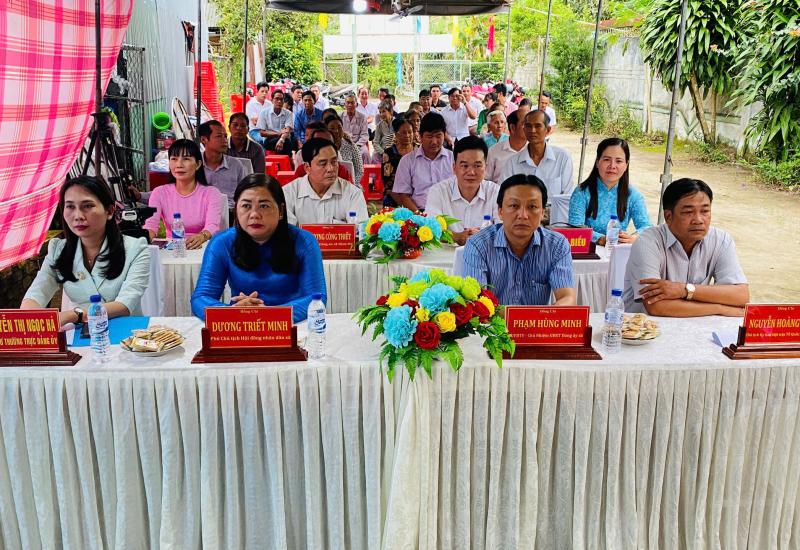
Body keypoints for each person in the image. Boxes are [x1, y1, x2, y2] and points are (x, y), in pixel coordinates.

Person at [190, 174, 326, 324]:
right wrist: (231, 312)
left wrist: (269, 315)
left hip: (291, 325)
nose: (254, 215)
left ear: (281, 211)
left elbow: (317, 297)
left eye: (264, 206)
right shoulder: (221, 243)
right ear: (236, 210)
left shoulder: (305, 241)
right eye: (246, 206)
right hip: (241, 324)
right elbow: (201, 298)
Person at [22, 176, 151, 323]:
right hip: (80, 334)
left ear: (109, 211)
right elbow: (36, 293)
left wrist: (74, 315)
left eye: (88, 206)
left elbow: (125, 304)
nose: (78, 216)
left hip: (127, 332)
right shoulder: (58, 249)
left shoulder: (135, 248)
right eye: (70, 207)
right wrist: (27, 317)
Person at [623, 178, 749, 317]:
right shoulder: (648, 242)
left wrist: (683, 290)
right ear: (668, 216)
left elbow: (741, 295)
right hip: (644, 327)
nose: (698, 220)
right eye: (688, 212)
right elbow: (656, 306)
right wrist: (720, 309)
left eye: (705, 211)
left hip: (699, 324)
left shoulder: (721, 240)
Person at [463, 174, 576, 306]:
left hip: (538, 320)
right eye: (513, 205)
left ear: (542, 213)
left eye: (532, 207)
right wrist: (523, 316)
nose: (523, 215)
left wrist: (544, 315)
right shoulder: (478, 245)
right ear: (500, 211)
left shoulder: (557, 245)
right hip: (494, 320)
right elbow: (477, 304)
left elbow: (568, 298)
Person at [568, 138, 652, 245]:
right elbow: (575, 226)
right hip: (588, 249)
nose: (612, 166)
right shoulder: (582, 192)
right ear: (597, 162)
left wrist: (634, 238)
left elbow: (646, 227)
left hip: (618, 249)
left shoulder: (633, 195)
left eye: (619, 161)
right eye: (607, 159)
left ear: (626, 165)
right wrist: (600, 239)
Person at [143, 139, 224, 248]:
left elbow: (213, 226)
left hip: (203, 248)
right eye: (174, 159)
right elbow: (151, 226)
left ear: (198, 164)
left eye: (186, 159)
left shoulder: (211, 193)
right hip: (173, 249)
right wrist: (139, 242)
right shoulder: (159, 193)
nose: (179, 164)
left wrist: (202, 236)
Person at [425, 136, 499, 246]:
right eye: (464, 166)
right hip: (447, 255)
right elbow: (430, 229)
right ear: (454, 168)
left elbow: (504, 230)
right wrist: (457, 237)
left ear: (486, 168)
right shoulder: (438, 192)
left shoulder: (496, 192)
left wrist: (483, 237)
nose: (471, 172)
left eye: (477, 165)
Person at [282, 137, 368, 226]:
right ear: (307, 168)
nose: (330, 169)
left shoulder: (352, 194)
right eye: (323, 163)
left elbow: (360, 230)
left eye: (334, 162)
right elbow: (286, 230)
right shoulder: (288, 193)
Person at [500, 110, 573, 200]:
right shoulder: (512, 162)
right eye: (528, 126)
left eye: (538, 126)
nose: (532, 130)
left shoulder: (562, 158)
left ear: (548, 130)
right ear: (524, 130)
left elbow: (567, 197)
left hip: (554, 209)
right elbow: (504, 195)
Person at [391, 112, 454, 212]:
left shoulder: (454, 159)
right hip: (419, 212)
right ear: (420, 136)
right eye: (429, 136)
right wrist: (420, 216)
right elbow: (403, 195)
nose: (434, 142)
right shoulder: (407, 161)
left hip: (450, 213)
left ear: (444, 135)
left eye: (438, 136)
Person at [199, 120, 249, 210]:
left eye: (225, 136)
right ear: (204, 139)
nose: (225, 140)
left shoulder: (236, 165)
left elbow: (245, 193)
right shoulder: (195, 165)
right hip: (202, 211)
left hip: (231, 211)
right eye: (219, 136)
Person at [486, 110, 527, 184]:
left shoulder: (534, 151)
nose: (531, 129)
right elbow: (487, 180)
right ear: (512, 127)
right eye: (525, 124)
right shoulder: (494, 151)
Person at [382, 116, 415, 207]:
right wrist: (404, 203)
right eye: (404, 133)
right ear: (396, 134)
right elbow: (387, 182)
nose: (407, 135)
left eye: (410, 132)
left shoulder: (419, 150)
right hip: (395, 194)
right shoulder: (389, 153)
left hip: (416, 193)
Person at [324, 113, 364, 186]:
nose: (336, 131)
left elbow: (359, 171)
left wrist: (352, 184)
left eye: (339, 127)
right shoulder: (323, 148)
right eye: (332, 128)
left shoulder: (351, 145)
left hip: (351, 185)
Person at [251, 89, 295, 155]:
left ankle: (285, 159)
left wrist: (281, 140)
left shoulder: (288, 113)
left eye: (281, 99)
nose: (279, 101)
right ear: (272, 100)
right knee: (287, 143)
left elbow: (287, 130)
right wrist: (278, 133)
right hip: (269, 139)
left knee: (287, 141)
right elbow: (262, 133)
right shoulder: (264, 113)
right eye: (277, 99)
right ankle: (287, 159)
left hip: (284, 138)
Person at [341, 94, 370, 163]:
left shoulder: (362, 117)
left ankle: (365, 170)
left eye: (352, 103)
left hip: (359, 144)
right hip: (344, 144)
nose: (350, 105)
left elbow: (364, 135)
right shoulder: (340, 116)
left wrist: (357, 145)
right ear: (345, 104)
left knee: (365, 153)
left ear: (356, 104)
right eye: (348, 103)